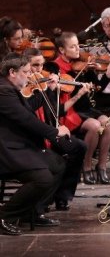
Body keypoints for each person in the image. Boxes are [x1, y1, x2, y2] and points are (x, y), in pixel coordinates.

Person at [0, 54, 69, 235]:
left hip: (19, 145)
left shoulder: (10, 88)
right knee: (42, 179)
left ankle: (32, 211)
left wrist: (48, 91)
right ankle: (5, 216)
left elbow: (28, 111)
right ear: (12, 72)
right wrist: (55, 132)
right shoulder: (3, 91)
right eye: (26, 72)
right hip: (7, 150)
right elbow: (26, 120)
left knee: (58, 164)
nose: (30, 76)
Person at [23, 48, 87, 212]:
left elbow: (56, 111)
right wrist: (45, 90)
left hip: (50, 132)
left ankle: (62, 196)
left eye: (41, 65)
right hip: (34, 137)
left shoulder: (43, 85)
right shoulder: (22, 87)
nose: (39, 70)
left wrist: (55, 91)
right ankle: (42, 203)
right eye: (35, 65)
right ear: (25, 66)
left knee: (79, 147)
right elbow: (28, 110)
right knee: (58, 160)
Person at [54, 32, 110, 184]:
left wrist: (107, 72)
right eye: (72, 47)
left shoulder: (83, 64)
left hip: (86, 108)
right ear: (62, 50)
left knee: (108, 123)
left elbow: (98, 88)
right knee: (95, 126)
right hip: (70, 111)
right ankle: (86, 167)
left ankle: (101, 167)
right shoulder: (57, 68)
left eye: (78, 46)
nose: (77, 50)